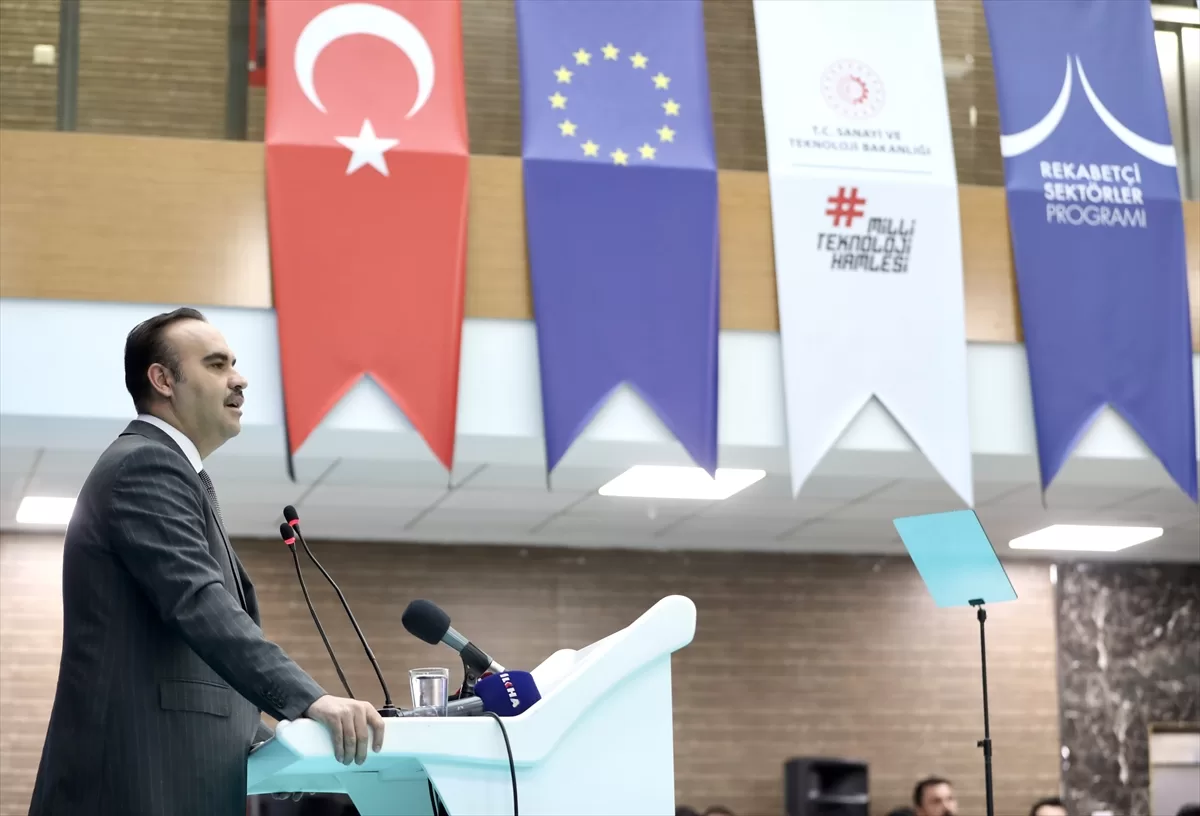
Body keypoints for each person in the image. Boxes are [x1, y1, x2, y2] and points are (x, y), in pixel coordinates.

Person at [28, 309, 385, 816]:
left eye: (234, 364)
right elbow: (198, 604)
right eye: (217, 365)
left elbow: (186, 668)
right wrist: (310, 700)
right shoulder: (145, 465)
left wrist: (269, 745)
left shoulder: (173, 472)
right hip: (129, 789)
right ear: (163, 380)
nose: (239, 379)